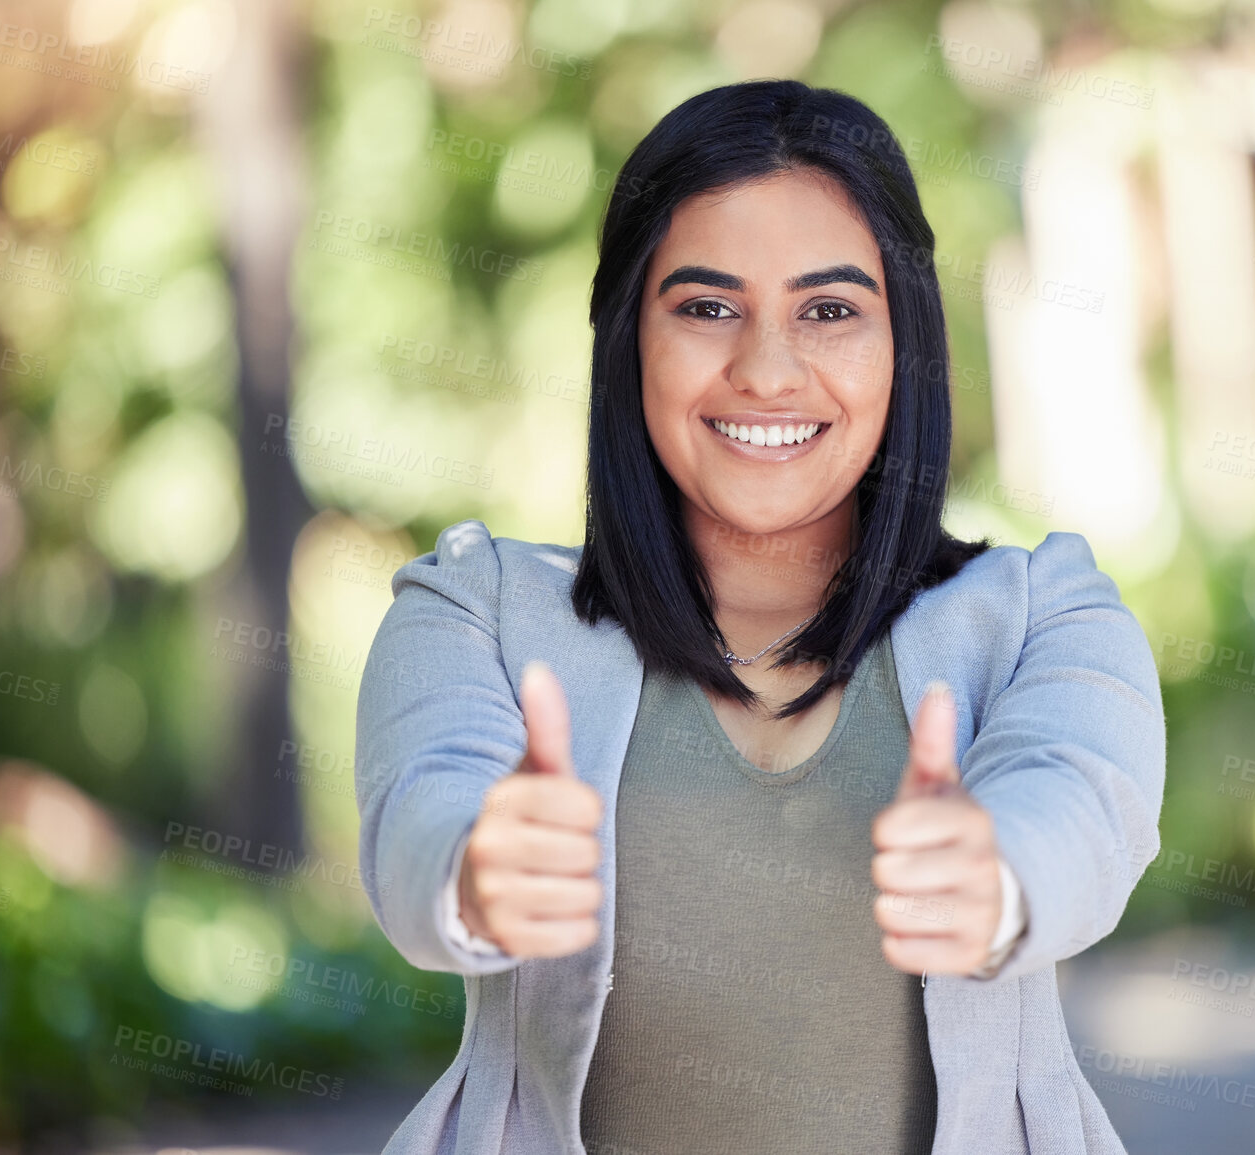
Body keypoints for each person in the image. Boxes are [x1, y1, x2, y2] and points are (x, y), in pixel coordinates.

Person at [355, 78, 1166, 1155]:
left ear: (904, 341)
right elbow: (419, 816)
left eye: (829, 310)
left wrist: (998, 873)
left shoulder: (1041, 620)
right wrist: (475, 871)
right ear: (627, 337)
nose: (767, 370)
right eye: (705, 307)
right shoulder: (477, 612)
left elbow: (1086, 801)